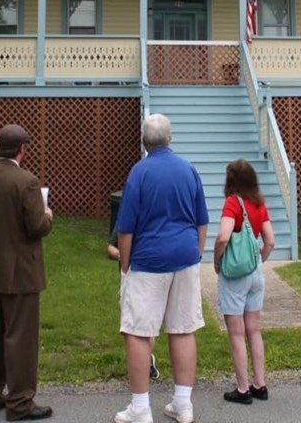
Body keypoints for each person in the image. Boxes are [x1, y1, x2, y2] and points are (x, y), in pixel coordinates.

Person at [114, 113, 209, 423]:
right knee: (182, 328)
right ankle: (183, 404)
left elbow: (126, 228)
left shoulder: (139, 173)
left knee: (139, 332)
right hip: (184, 256)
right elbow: (202, 220)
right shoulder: (189, 170)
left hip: (149, 258)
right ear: (170, 139)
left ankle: (140, 408)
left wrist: (125, 264)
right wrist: (196, 253)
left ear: (145, 141)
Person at [0, 124, 54, 421]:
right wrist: (48, 215)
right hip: (20, 273)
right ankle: (20, 402)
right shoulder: (27, 181)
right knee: (20, 338)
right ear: (22, 149)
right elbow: (36, 227)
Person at [213, 159, 275, 405]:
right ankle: (260, 384)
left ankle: (242, 389)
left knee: (236, 333)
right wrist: (258, 260)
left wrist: (217, 262)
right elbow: (270, 241)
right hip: (256, 272)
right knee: (254, 329)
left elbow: (222, 237)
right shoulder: (260, 203)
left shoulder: (233, 203)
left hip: (236, 275)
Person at [108, 223, 159, 380]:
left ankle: (147, 361)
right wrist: (120, 254)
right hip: (128, 276)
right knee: (129, 322)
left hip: (148, 275)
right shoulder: (124, 220)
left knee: (146, 322)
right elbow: (111, 247)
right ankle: (138, 361)